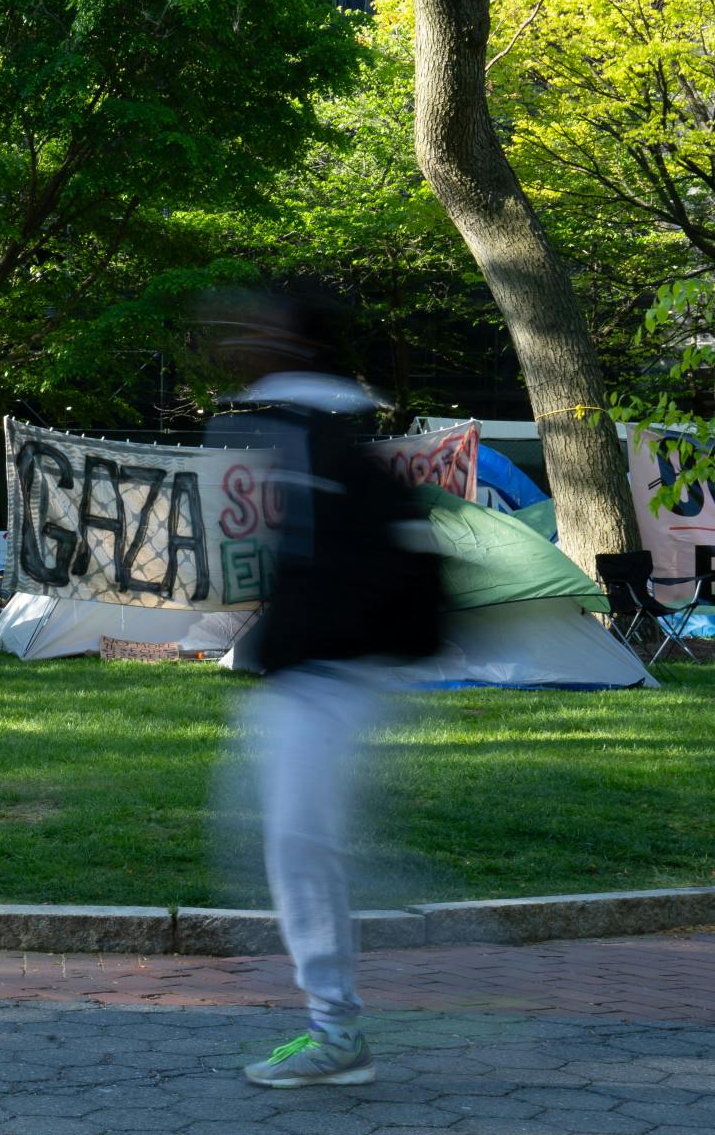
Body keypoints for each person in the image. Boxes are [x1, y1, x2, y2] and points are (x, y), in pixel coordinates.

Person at [206, 294, 443, 1090]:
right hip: (317, 670)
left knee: (299, 842)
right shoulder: (310, 430)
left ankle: (337, 1030)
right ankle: (334, 1019)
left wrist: (304, 643)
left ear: (295, 345)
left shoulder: (317, 435)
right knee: (294, 841)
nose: (237, 340)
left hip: (328, 673)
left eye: (256, 329)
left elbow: (352, 561)